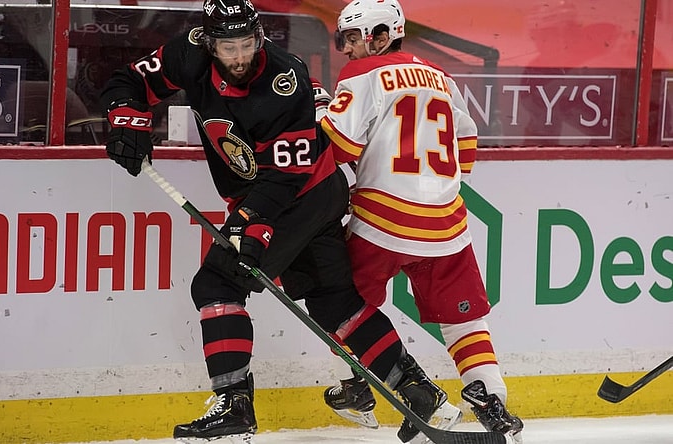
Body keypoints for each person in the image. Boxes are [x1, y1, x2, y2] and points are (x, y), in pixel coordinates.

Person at [99, 0, 452, 442]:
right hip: (300, 193)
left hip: (299, 193)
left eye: (248, 43)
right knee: (333, 301)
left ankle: (233, 405)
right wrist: (127, 116)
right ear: (209, 44)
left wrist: (251, 221)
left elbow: (286, 175)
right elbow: (127, 81)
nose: (241, 56)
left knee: (217, 284)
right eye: (229, 47)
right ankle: (418, 389)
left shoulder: (284, 80)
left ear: (260, 37)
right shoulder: (185, 54)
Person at [316, 0, 525, 443]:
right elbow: (466, 151)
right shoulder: (444, 78)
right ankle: (492, 398)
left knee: (344, 305)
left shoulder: (360, 75)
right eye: (345, 39)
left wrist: (320, 115)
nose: (348, 49)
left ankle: (355, 384)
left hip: (381, 221)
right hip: (446, 224)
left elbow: (336, 151)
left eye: (354, 38)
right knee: (463, 320)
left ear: (379, 34)